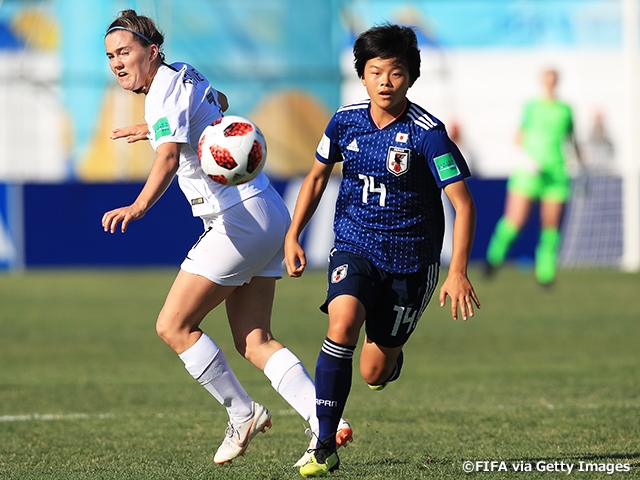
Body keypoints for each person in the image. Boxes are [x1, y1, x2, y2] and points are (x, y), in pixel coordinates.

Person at [101, 10, 351, 466]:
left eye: (125, 52)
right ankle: (324, 421)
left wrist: (138, 206)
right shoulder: (182, 73)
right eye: (110, 56)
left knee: (172, 326)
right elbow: (219, 98)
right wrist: (156, 129)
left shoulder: (159, 92)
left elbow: (169, 158)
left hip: (234, 219)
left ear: (151, 51)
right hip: (268, 208)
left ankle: (243, 412)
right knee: (255, 340)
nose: (117, 62)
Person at [284, 24, 480, 477]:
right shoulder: (345, 121)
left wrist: (458, 270)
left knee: (373, 371)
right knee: (343, 322)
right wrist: (294, 234)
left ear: (410, 77)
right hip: (356, 244)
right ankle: (324, 443)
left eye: (395, 73)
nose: (385, 82)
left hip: (412, 261)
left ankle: (390, 360)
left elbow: (463, 205)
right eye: (376, 73)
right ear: (363, 76)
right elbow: (315, 178)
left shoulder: (428, 134)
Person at [485, 68, 584, 286]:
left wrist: (583, 166)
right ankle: (494, 259)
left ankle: (545, 274)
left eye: (553, 79)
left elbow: (572, 140)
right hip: (528, 173)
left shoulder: (565, 110)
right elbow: (518, 138)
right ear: (542, 82)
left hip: (556, 174)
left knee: (551, 225)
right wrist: (528, 161)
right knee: (515, 221)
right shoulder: (531, 107)